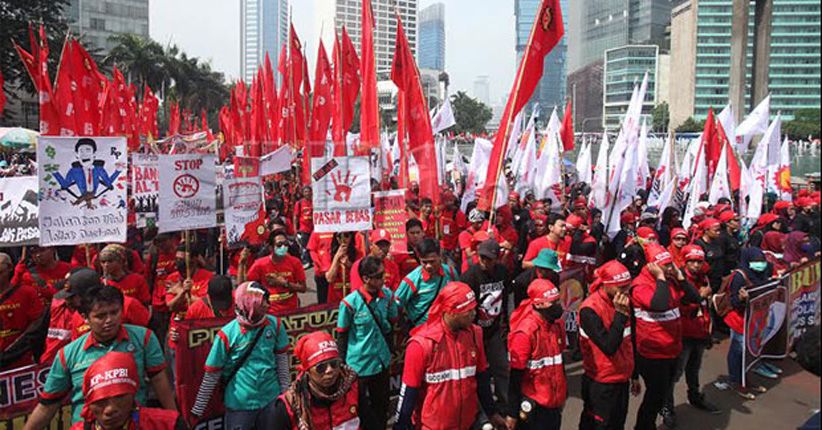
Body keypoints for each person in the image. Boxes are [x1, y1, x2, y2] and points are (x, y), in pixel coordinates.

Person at [25, 285, 174, 428]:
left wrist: (174, 420)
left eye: (114, 312)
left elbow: (159, 381)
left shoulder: (144, 338)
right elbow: (47, 405)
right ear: (85, 317)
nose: (109, 320)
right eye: (100, 316)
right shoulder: (68, 354)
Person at [395, 282, 507, 430]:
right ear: (451, 312)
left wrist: (492, 413)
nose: (474, 314)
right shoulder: (421, 344)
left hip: (468, 424)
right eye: (468, 311)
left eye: (474, 309)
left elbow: (482, 380)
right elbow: (408, 393)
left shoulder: (475, 334)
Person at [191, 282, 291, 429]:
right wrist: (197, 411)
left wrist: (286, 396)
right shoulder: (227, 335)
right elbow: (211, 376)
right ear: (248, 305)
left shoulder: (275, 324)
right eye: (262, 302)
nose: (267, 305)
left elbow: (282, 363)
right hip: (240, 407)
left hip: (271, 402)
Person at [630, 244, 701, 430]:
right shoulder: (640, 285)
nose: (670, 268)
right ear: (653, 266)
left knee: (662, 393)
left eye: (671, 264)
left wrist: (680, 277)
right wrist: (661, 278)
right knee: (654, 397)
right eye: (666, 265)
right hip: (653, 353)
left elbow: (695, 298)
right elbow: (659, 304)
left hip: (672, 348)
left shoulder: (671, 280)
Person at [337, 256, 399, 429]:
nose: (383, 279)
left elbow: (393, 319)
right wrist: (341, 366)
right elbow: (342, 335)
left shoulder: (387, 296)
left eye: (383, 274)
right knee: (359, 409)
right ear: (366, 278)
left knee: (382, 405)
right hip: (359, 366)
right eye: (379, 276)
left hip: (382, 362)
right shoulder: (350, 303)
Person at [662, 245, 720, 427]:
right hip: (683, 333)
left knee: (694, 369)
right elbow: (674, 307)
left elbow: (707, 306)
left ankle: (695, 396)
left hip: (700, 332)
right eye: (692, 261)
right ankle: (666, 408)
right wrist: (698, 299)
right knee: (675, 373)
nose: (696, 265)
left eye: (699, 262)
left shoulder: (704, 278)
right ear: (685, 261)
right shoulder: (677, 280)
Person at [578, 261, 639, 430]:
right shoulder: (589, 310)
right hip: (601, 382)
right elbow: (609, 346)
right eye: (621, 288)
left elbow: (630, 339)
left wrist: (634, 374)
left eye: (628, 287)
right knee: (598, 425)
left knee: (617, 423)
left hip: (622, 377)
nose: (626, 292)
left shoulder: (624, 301)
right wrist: (619, 315)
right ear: (606, 285)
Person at [506, 279, 567, 430]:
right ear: (538, 304)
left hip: (554, 403)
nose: (557, 305)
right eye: (552, 302)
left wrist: (563, 395)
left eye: (557, 300)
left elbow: (560, 362)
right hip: (534, 408)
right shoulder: (525, 333)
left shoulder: (557, 325)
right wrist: (512, 414)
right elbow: (515, 378)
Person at [71, 351, 182, 430]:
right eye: (100, 402)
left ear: (133, 395)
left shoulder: (168, 424)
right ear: (89, 404)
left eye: (119, 397)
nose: (110, 409)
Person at [273, 331, 362, 429]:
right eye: (321, 367)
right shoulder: (289, 405)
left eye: (334, 364)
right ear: (307, 371)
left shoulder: (354, 388)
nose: (329, 370)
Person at [461, 239, 511, 411]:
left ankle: (505, 404)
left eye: (488, 258)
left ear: (497, 258)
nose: (484, 261)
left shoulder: (503, 272)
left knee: (502, 368)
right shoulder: (470, 276)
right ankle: (479, 410)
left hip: (494, 330)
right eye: (481, 257)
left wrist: (507, 323)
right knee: (477, 374)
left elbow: (506, 299)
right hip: (475, 334)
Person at [721, 248, 772, 399]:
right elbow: (733, 301)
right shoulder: (739, 276)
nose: (760, 264)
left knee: (750, 351)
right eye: (756, 261)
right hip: (740, 319)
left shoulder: (762, 273)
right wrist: (743, 299)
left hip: (755, 319)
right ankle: (736, 381)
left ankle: (746, 379)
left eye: (762, 261)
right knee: (738, 351)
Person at [395, 238, 458, 328]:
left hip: (446, 328)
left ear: (440, 255)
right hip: (423, 331)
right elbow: (396, 305)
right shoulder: (411, 280)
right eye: (424, 262)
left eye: (432, 261)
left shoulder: (450, 272)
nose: (428, 266)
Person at [0, 252, 46, 370]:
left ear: (9, 268)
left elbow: (37, 326)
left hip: (21, 360)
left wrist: (15, 350)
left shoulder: (27, 293)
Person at [246, 230, 307, 314]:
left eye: (286, 244)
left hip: (291, 310)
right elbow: (246, 285)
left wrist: (285, 283)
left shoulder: (295, 262)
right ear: (271, 247)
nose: (283, 247)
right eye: (279, 245)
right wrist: (242, 264)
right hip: (269, 311)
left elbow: (303, 288)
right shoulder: (260, 264)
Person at [326, 231, 364, 304]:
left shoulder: (358, 253)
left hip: (353, 295)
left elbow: (361, 276)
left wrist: (349, 265)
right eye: (339, 237)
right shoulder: (329, 253)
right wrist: (337, 257)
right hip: (335, 297)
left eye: (346, 236)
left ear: (351, 237)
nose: (343, 239)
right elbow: (330, 278)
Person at [307, 230, 335, 303]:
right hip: (321, 273)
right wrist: (319, 265)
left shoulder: (337, 229)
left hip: (335, 271)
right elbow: (312, 250)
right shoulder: (317, 231)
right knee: (323, 300)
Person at [293, 185, 314, 268]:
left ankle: (312, 261)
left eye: (309, 191)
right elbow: (295, 217)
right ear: (303, 193)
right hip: (304, 229)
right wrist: (295, 229)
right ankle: (307, 261)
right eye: (305, 192)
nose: (307, 193)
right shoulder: (299, 203)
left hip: (314, 228)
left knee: (313, 246)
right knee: (305, 246)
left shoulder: (314, 202)